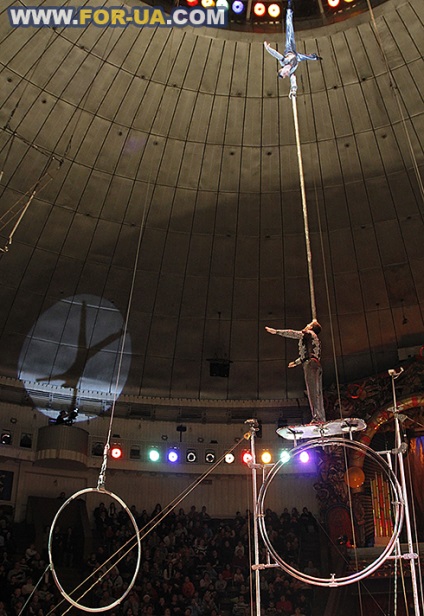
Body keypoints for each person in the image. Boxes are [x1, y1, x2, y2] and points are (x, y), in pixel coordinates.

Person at [265, 319, 325, 422]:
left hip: (310, 364)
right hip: (316, 364)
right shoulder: (315, 339)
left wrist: (277, 332)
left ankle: (316, 418)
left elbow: (292, 333)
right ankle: (321, 417)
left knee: (312, 391)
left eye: (308, 324)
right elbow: (309, 353)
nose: (306, 325)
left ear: (311, 327)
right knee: (318, 392)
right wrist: (296, 362)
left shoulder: (307, 333)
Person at [264, 0, 322, 97]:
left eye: (284, 73)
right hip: (298, 57)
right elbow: (293, 81)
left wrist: (268, 49)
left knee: (289, 29)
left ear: (281, 69)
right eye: (285, 75)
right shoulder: (291, 73)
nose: (286, 73)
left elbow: (276, 55)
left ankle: (289, 10)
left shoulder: (283, 62)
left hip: (290, 50)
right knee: (307, 57)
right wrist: (293, 91)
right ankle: (314, 57)